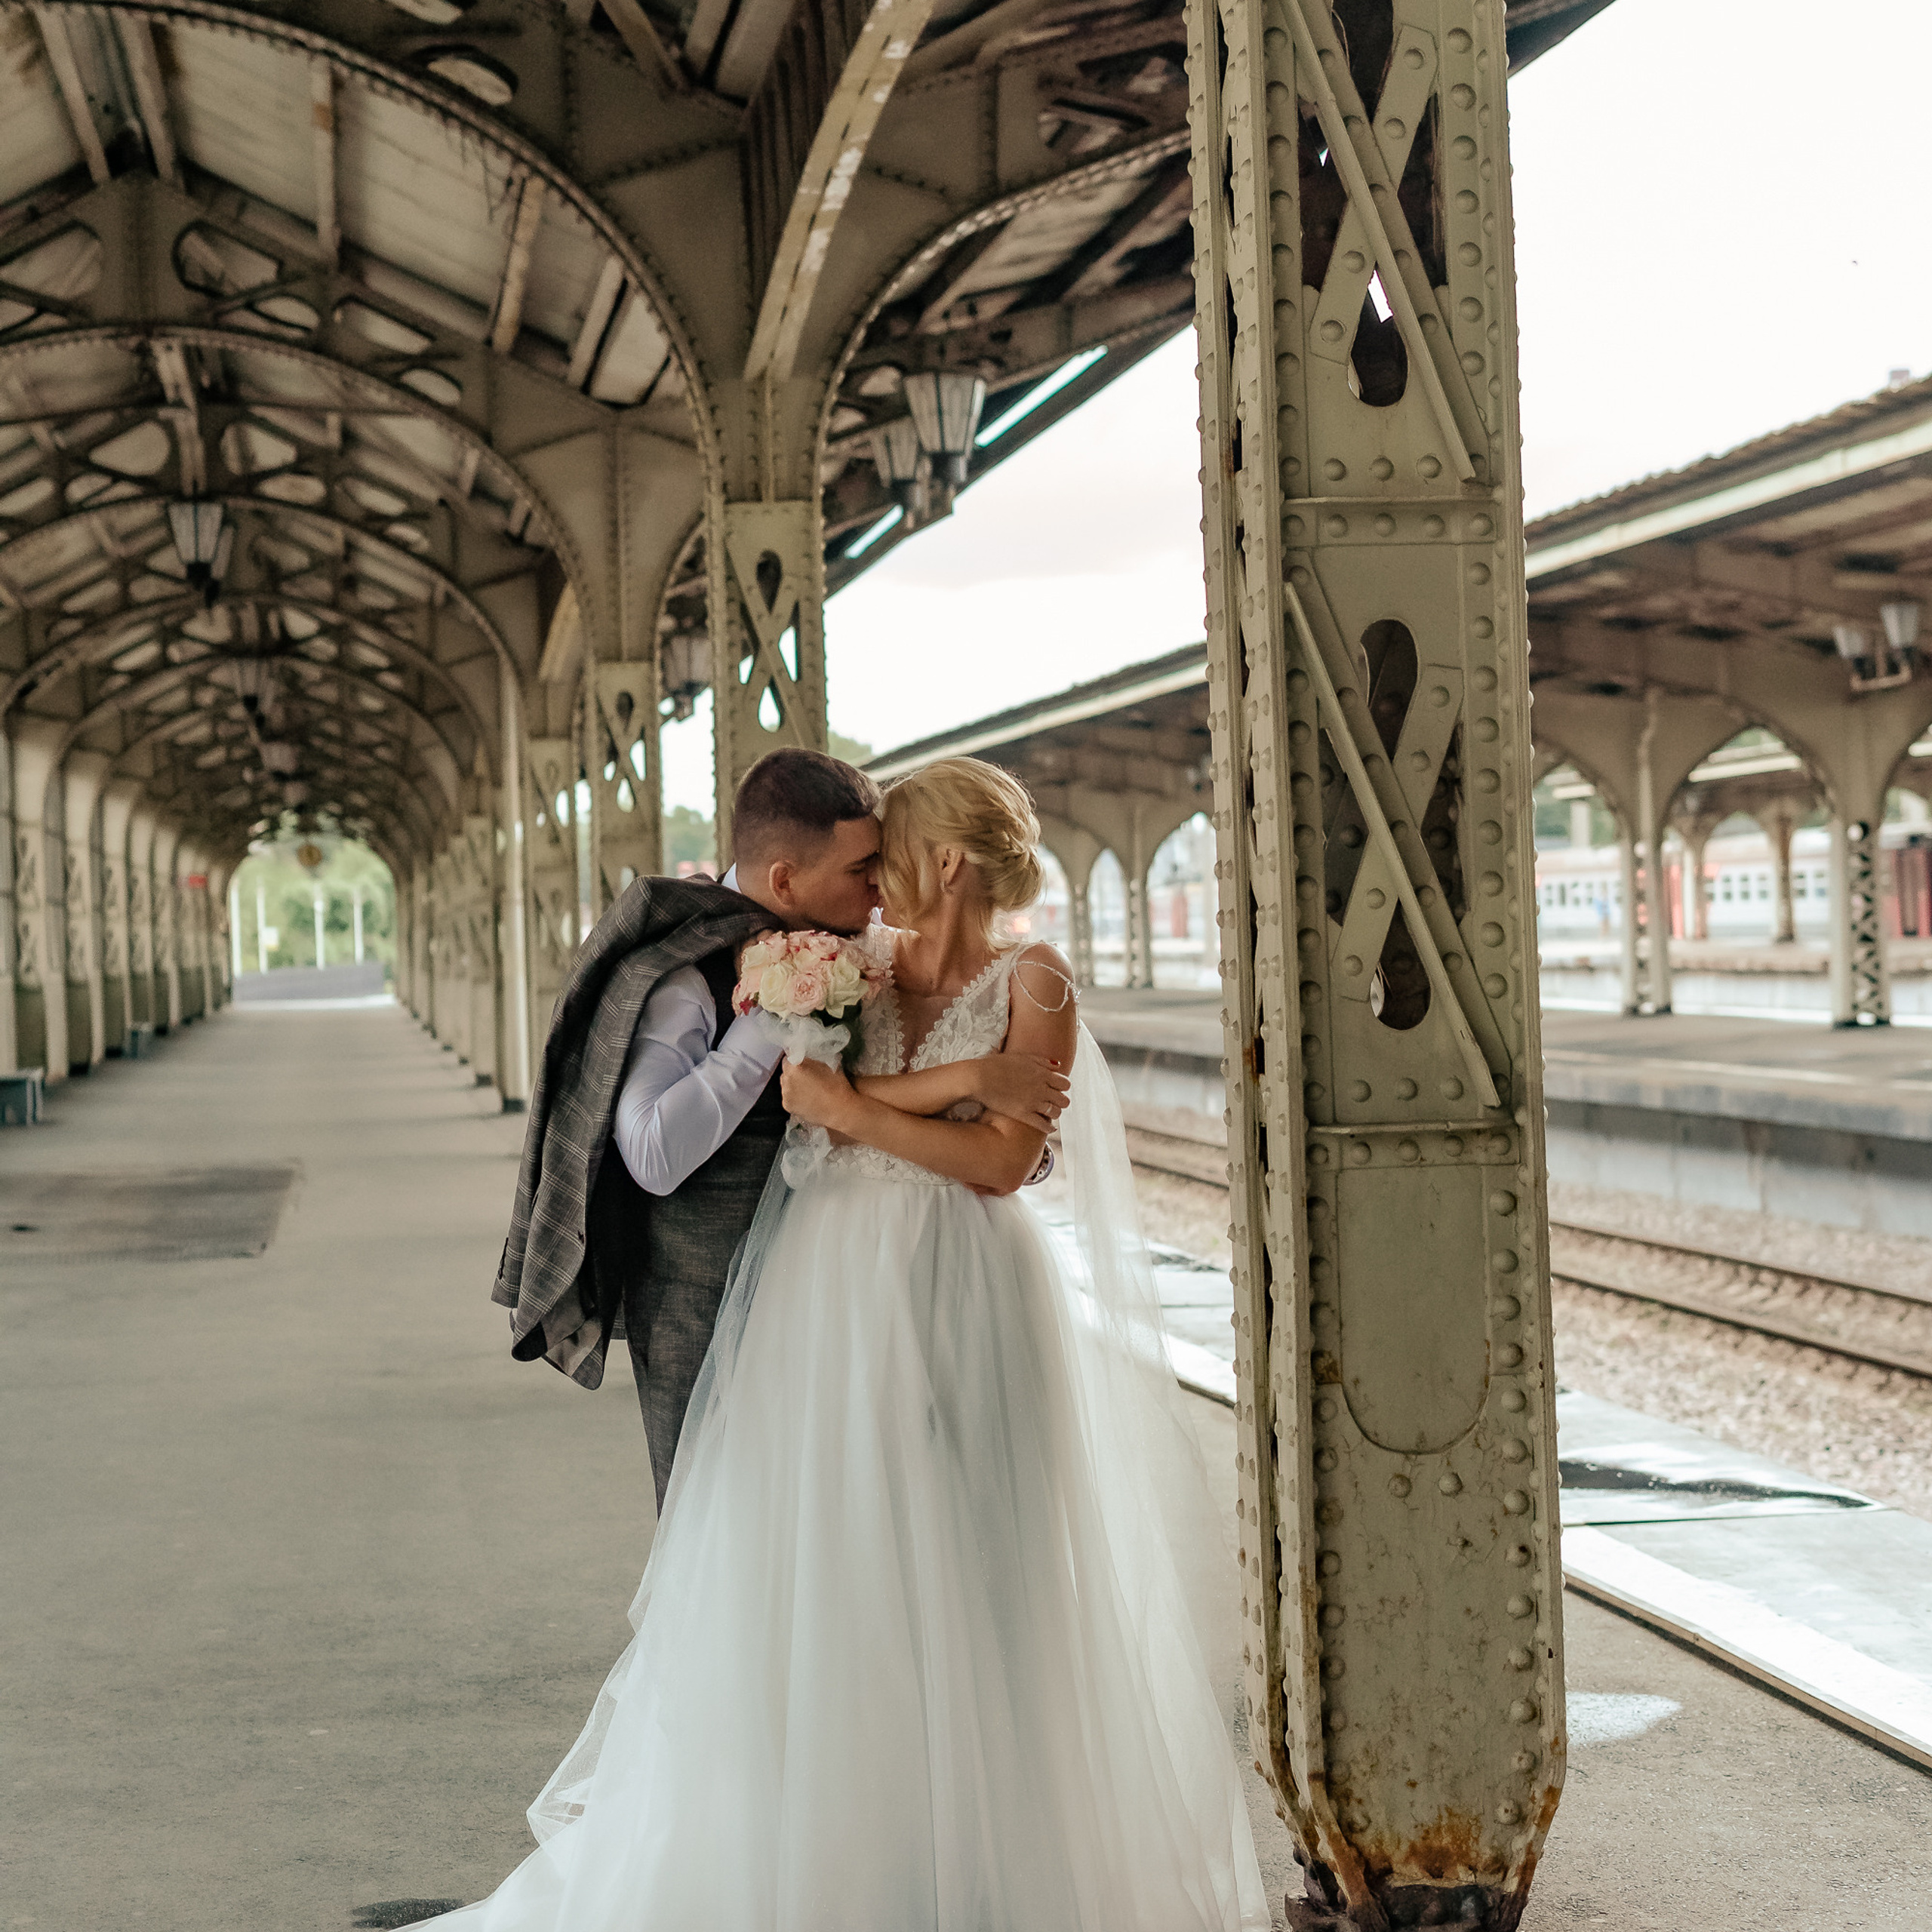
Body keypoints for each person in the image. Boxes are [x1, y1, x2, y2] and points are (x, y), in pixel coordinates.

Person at [445, 755, 1266, 1932]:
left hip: (966, 1286)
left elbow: (996, 1163)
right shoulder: (844, 969)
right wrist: (964, 1084)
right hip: (824, 1291)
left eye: (887, 859)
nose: (873, 884)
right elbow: (765, 1110)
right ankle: (843, 1851)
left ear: (937, 862)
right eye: (859, 862)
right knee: (835, 1557)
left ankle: (971, 1855)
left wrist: (894, 1108)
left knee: (979, 1549)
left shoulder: (1033, 979)